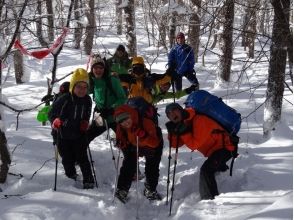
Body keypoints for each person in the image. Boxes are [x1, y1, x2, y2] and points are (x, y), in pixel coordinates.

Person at [165, 103, 237, 200]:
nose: (172, 114)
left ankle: (210, 200)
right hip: (215, 150)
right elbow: (176, 144)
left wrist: (183, 132)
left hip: (225, 148)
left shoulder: (199, 119)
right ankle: (222, 170)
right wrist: (172, 132)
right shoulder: (185, 122)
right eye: (168, 114)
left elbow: (194, 145)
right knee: (213, 165)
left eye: (174, 110)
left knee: (206, 170)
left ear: (181, 110)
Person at [48, 68, 94, 189]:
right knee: (67, 158)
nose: (82, 90)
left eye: (85, 87)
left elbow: (87, 114)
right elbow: (51, 114)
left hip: (78, 133)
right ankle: (71, 175)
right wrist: (55, 121)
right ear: (73, 86)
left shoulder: (87, 100)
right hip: (62, 133)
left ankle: (89, 180)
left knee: (83, 157)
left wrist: (85, 122)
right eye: (79, 86)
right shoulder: (65, 99)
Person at [113, 104, 163, 203]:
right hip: (135, 145)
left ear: (130, 115)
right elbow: (120, 138)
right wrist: (121, 143)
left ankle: (150, 190)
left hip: (152, 145)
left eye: (126, 119)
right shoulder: (121, 126)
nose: (125, 123)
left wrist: (143, 135)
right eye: (121, 121)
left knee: (152, 166)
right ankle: (122, 190)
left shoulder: (145, 122)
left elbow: (155, 143)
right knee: (129, 163)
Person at [86, 54, 127, 143]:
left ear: (104, 69)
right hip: (100, 115)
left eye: (101, 68)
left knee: (125, 140)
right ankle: (80, 156)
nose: (98, 70)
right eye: (95, 68)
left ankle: (129, 156)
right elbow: (81, 92)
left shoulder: (112, 80)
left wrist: (111, 109)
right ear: (92, 69)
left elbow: (122, 98)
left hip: (115, 116)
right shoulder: (91, 81)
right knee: (87, 137)